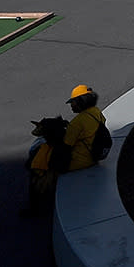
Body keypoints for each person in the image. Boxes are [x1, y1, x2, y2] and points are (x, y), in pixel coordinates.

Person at [26, 84, 108, 215]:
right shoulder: (95, 112)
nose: (71, 106)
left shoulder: (78, 122)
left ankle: (34, 207)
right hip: (93, 154)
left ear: (81, 102)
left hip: (80, 160)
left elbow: (65, 146)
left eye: (73, 103)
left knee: (38, 165)